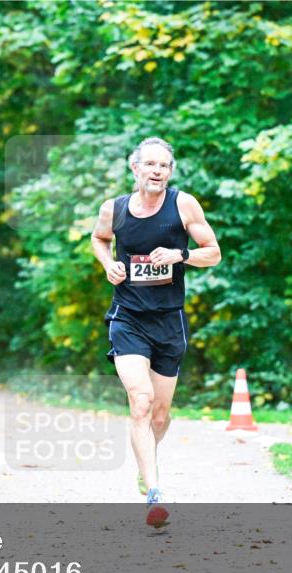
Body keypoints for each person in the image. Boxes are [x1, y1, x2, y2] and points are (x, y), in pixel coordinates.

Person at [90, 137, 221, 515]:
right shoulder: (113, 209)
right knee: (141, 401)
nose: (157, 171)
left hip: (169, 321)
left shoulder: (183, 204)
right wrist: (107, 264)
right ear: (135, 169)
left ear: (170, 171)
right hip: (127, 317)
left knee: (160, 414)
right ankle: (154, 490)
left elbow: (213, 252)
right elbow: (99, 240)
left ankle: (147, 462)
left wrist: (181, 254)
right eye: (149, 164)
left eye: (163, 166)